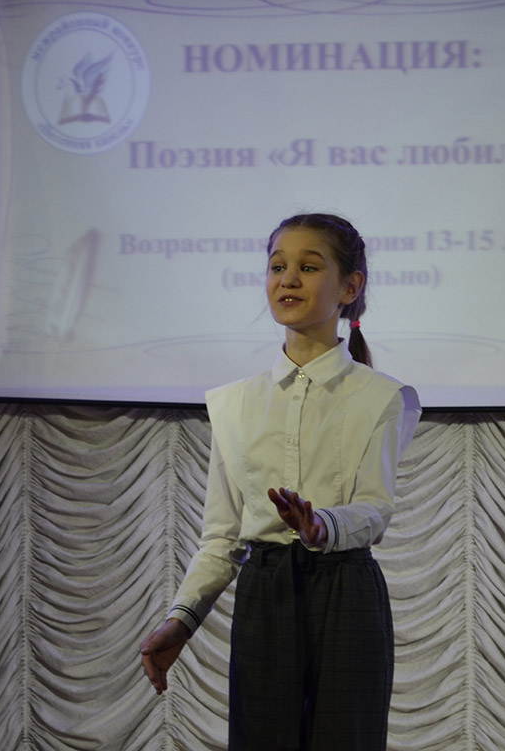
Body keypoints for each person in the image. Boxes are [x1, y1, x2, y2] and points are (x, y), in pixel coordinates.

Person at [139, 213, 421, 750]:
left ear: (350, 288)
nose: (287, 279)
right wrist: (182, 620)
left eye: (308, 267)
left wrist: (322, 526)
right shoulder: (235, 402)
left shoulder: (382, 396)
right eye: (277, 267)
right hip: (265, 592)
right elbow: (222, 536)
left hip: (346, 591)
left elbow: (375, 508)